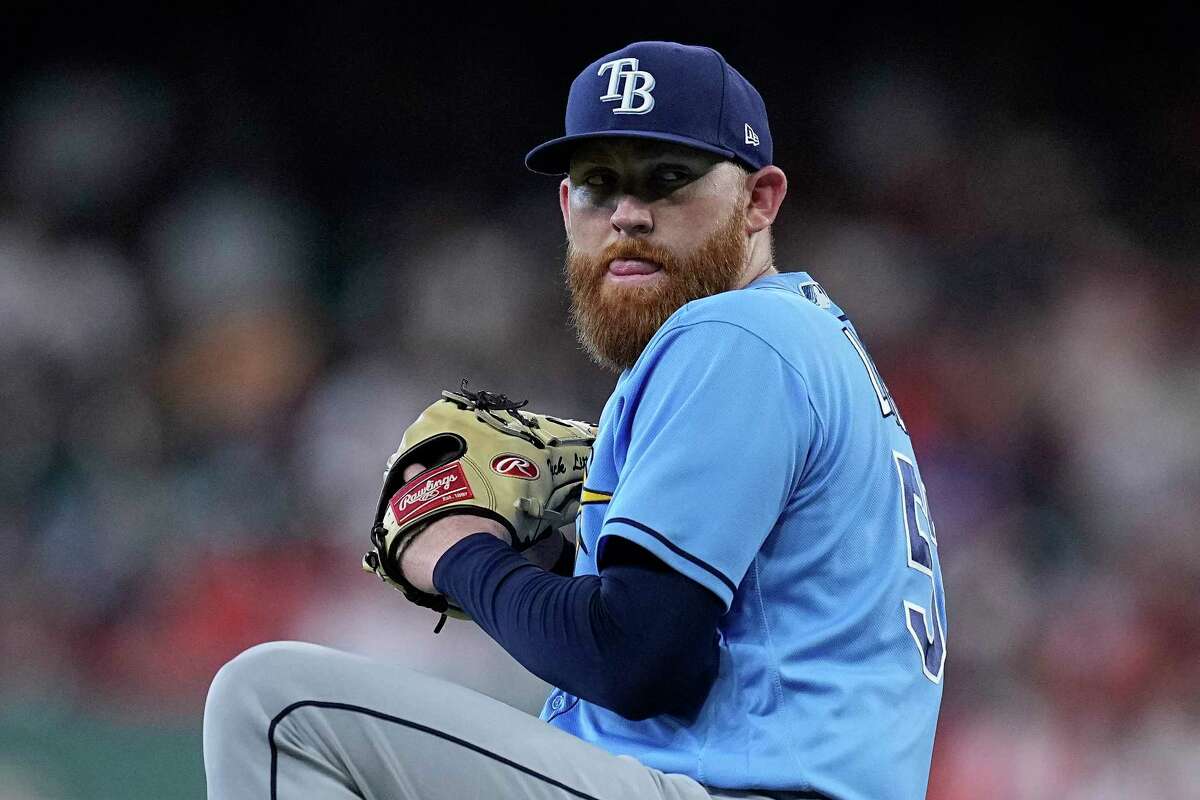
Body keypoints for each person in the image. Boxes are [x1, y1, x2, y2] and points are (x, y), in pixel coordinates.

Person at [203, 41, 946, 800]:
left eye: (667, 178)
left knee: (275, 704)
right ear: (566, 208)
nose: (628, 214)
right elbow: (693, 648)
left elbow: (636, 661)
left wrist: (460, 554)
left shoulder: (733, 336)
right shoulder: (807, 340)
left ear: (759, 199)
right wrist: (557, 557)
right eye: (598, 185)